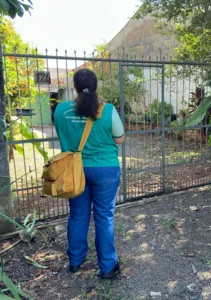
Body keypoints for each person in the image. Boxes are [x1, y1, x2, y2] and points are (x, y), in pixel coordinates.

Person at [54, 68, 125, 279]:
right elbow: (120, 139)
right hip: (105, 170)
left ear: (74, 87)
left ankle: (75, 260)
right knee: (104, 216)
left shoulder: (61, 110)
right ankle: (107, 267)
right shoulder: (108, 110)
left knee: (77, 215)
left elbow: (62, 133)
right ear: (96, 87)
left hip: (74, 170)